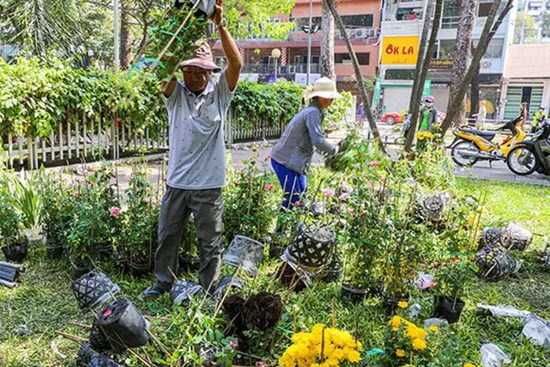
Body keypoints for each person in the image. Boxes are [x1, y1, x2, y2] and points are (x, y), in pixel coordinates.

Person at [142, 0, 242, 298]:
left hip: (209, 186)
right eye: (189, 70)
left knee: (209, 241)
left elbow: (236, 64)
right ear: (182, 71)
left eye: (201, 71)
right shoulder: (175, 96)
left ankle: (209, 287)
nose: (194, 76)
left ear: (210, 72)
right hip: (177, 183)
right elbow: (160, 65)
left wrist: (220, 24)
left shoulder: (220, 93)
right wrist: (183, 23)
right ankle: (163, 284)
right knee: (167, 236)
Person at [271, 77, 341, 211]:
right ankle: (280, 232)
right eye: (326, 97)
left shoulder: (315, 111)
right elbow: (318, 140)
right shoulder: (313, 112)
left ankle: (298, 229)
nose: (330, 100)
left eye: (331, 97)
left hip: (295, 162)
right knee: (293, 200)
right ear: (317, 97)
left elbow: (313, 140)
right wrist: (336, 150)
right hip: (285, 161)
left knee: (302, 196)